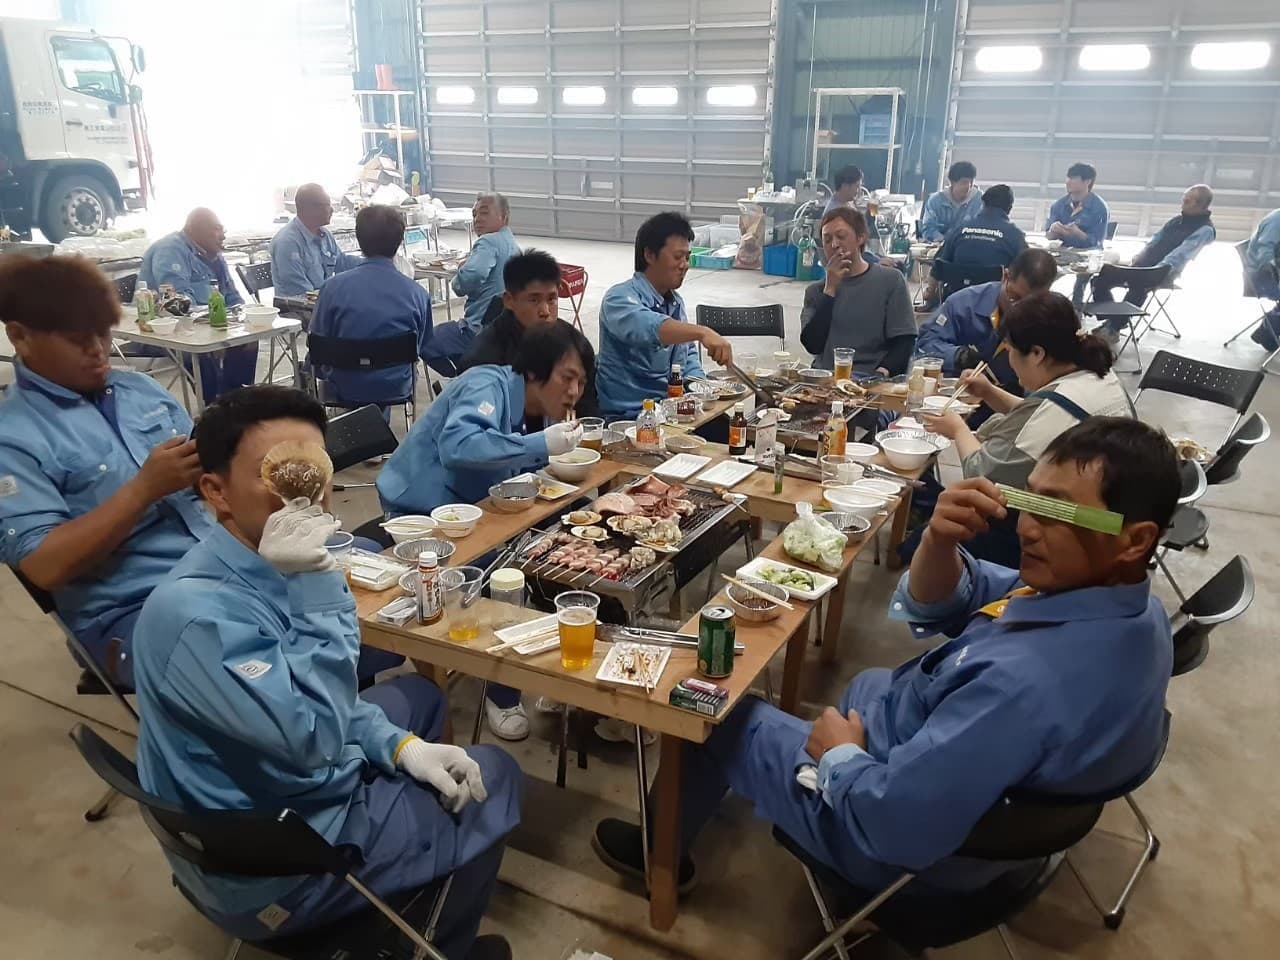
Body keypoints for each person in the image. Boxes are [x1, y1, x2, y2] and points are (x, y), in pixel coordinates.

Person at [593, 417, 1178, 905]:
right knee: (872, 682)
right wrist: (940, 540)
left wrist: (841, 758)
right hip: (961, 785)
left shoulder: (1021, 686)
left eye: (1059, 512)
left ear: (1135, 539)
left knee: (713, 710)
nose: (1027, 528)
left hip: (904, 849)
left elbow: (897, 823)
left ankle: (658, 857)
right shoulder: (1130, 610)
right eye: (1029, 501)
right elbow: (954, 595)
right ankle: (765, 775)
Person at [131, 385, 520, 960]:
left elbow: (320, 698)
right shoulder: (196, 617)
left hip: (282, 777)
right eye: (277, 475)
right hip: (273, 857)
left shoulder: (262, 562)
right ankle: (438, 941)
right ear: (215, 491)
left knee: (420, 698)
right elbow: (313, 738)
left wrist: (402, 747)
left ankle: (414, 869)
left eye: (313, 472)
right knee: (497, 775)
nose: (306, 497)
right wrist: (318, 585)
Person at [0, 255, 216, 690]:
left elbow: (210, 481)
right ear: (20, 336)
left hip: (221, 567)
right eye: (78, 340)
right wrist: (143, 490)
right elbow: (45, 566)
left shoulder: (142, 391)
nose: (98, 350)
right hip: (130, 611)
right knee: (249, 659)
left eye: (103, 332)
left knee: (347, 584)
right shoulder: (13, 438)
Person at [377, 323, 591, 741]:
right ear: (534, 370)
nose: (574, 392)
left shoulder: (541, 409)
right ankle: (503, 694)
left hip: (481, 508)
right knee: (507, 574)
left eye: (581, 382)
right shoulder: (487, 384)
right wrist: (540, 446)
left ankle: (554, 668)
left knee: (570, 535)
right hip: (423, 515)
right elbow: (459, 446)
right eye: (567, 377)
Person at [919, 292, 1133, 566]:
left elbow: (984, 474)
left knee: (947, 526)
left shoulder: (1056, 407)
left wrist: (958, 429)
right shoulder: (1095, 375)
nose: (1008, 359)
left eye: (1010, 350)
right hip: (1112, 513)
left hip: (1080, 528)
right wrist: (989, 391)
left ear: (1037, 353)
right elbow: (1039, 414)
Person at [596, 212, 731, 420]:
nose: (684, 265)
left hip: (671, 412)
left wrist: (700, 388)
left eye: (687, 257)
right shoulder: (618, 299)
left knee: (727, 425)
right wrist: (702, 332)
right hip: (631, 418)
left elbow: (688, 356)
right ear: (650, 255)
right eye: (677, 257)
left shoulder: (675, 302)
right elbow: (650, 328)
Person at [309, 204, 434, 407]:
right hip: (395, 386)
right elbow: (422, 344)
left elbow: (317, 340)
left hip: (342, 385)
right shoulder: (417, 293)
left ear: (359, 239)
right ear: (400, 240)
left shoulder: (332, 288)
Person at [460, 248, 598, 426]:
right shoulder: (483, 360)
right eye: (534, 300)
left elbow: (588, 412)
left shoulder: (571, 345)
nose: (545, 311)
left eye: (551, 299)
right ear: (509, 300)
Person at [139, 207, 257, 404]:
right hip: (163, 330)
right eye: (216, 229)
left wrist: (243, 318)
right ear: (195, 230)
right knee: (203, 349)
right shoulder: (170, 250)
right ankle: (213, 407)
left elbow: (233, 297)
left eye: (223, 229)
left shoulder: (214, 254)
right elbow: (177, 304)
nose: (223, 235)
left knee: (248, 340)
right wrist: (215, 328)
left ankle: (236, 401)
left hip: (206, 324)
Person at [1090, 184, 1216, 343]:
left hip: (1164, 271)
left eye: (1187, 201)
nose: (1182, 204)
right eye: (1184, 199)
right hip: (1144, 266)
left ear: (1201, 205)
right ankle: (1113, 319)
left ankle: (1113, 328)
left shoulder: (1205, 230)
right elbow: (1155, 240)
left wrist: (1154, 270)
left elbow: (1179, 256)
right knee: (1101, 278)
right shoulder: (1177, 220)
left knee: (1139, 285)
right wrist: (1140, 257)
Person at [799, 207, 916, 376]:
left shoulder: (891, 280)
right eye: (827, 240)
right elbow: (812, 345)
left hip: (873, 378)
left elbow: (905, 341)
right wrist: (830, 290)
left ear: (860, 238)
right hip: (828, 378)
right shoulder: (816, 291)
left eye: (841, 236)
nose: (834, 244)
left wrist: (881, 374)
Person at [915, 248, 1058, 380]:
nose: (1021, 308)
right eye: (1014, 298)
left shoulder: (1051, 319)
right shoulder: (964, 304)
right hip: (964, 388)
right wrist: (958, 356)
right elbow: (925, 343)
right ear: (1005, 276)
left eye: (1032, 302)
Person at [429, 193, 521, 375]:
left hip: (478, 329)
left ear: (504, 217)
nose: (477, 219)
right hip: (504, 328)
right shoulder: (512, 244)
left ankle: (461, 376)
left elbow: (472, 276)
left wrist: (459, 274)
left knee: (426, 340)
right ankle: (469, 371)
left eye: (484, 213)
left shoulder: (488, 241)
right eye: (474, 214)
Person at [268, 182, 362, 297]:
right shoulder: (287, 243)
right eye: (327, 205)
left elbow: (342, 262)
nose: (332, 210)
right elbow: (299, 290)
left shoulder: (324, 234)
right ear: (309, 209)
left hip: (321, 300)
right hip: (298, 305)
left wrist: (374, 264)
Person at [931, 184, 1027, 281]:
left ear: (983, 203)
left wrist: (930, 290)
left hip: (957, 290)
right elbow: (1028, 271)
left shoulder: (960, 229)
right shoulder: (1015, 236)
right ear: (1009, 208)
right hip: (995, 290)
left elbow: (938, 267)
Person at [1046, 162, 1109, 249]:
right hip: (1064, 252)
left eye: (1073, 178)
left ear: (1087, 182)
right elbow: (1048, 235)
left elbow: (1096, 242)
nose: (1068, 182)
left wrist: (1077, 233)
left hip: (1089, 253)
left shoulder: (1099, 208)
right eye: (1068, 177)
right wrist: (1053, 230)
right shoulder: (1058, 205)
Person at [920, 161, 983, 242]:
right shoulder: (936, 201)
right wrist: (945, 241)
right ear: (952, 182)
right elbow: (928, 228)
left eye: (971, 183)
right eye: (964, 182)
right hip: (940, 245)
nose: (968, 187)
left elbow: (984, 229)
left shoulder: (981, 201)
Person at [1245, 208, 1280, 349]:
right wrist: (1272, 271)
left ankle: (1267, 329)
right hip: (1262, 276)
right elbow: (1264, 249)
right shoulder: (1277, 220)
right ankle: (1268, 329)